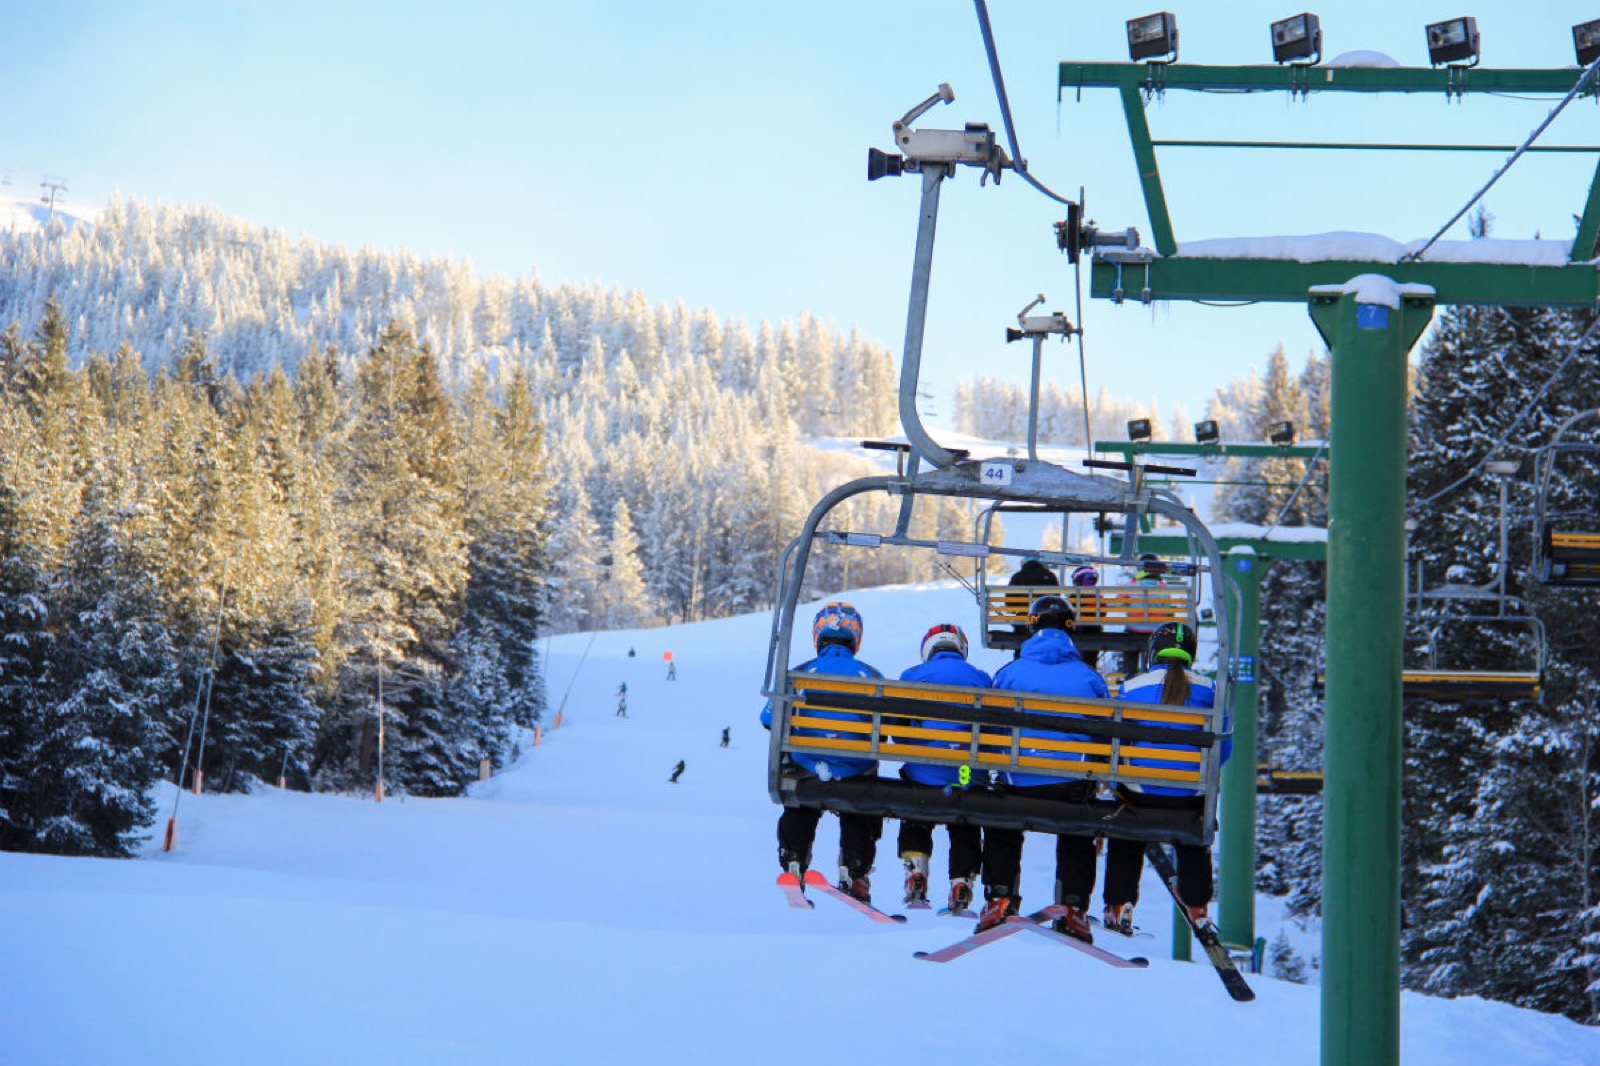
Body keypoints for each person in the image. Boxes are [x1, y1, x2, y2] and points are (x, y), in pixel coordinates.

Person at [976, 594, 1109, 934]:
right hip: (1071, 788)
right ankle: (1074, 906)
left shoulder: (1010, 674)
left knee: (1001, 817)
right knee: (1078, 826)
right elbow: (1105, 737)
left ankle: (1000, 898)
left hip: (1019, 782)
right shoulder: (1089, 678)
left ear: (1031, 627)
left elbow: (993, 729)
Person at [1099, 622, 1226, 935]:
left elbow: (1116, 743)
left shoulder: (1132, 687)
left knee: (1127, 828)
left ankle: (1120, 903)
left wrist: (1118, 786)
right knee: (1193, 827)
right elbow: (1224, 748)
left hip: (1141, 792)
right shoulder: (1210, 691)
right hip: (1189, 795)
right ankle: (1197, 905)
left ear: (1152, 651)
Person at [760, 602, 885, 902]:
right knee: (859, 804)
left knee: (800, 801)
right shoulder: (870, 676)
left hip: (808, 763)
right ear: (856, 637)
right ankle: (854, 869)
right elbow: (889, 728)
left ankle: (794, 857)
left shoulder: (798, 673)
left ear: (819, 635)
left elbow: (768, 719)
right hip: (854, 767)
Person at [893, 623, 993, 911]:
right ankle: (961, 881)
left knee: (916, 810)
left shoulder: (912, 676)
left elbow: (900, 734)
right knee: (965, 822)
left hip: (924, 773)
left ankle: (916, 872)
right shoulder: (980, 679)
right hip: (965, 774)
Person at [1006, 557, 1059, 648]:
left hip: (1023, 622)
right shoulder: (1050, 576)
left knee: (1021, 630)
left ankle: (1020, 657)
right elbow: (1057, 599)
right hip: (1047, 621)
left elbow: (1010, 604)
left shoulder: (1017, 576)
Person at [1069, 565, 1104, 671]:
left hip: (1077, 633)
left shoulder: (1074, 596)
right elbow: (1102, 614)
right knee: (1090, 660)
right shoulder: (1097, 596)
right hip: (1095, 632)